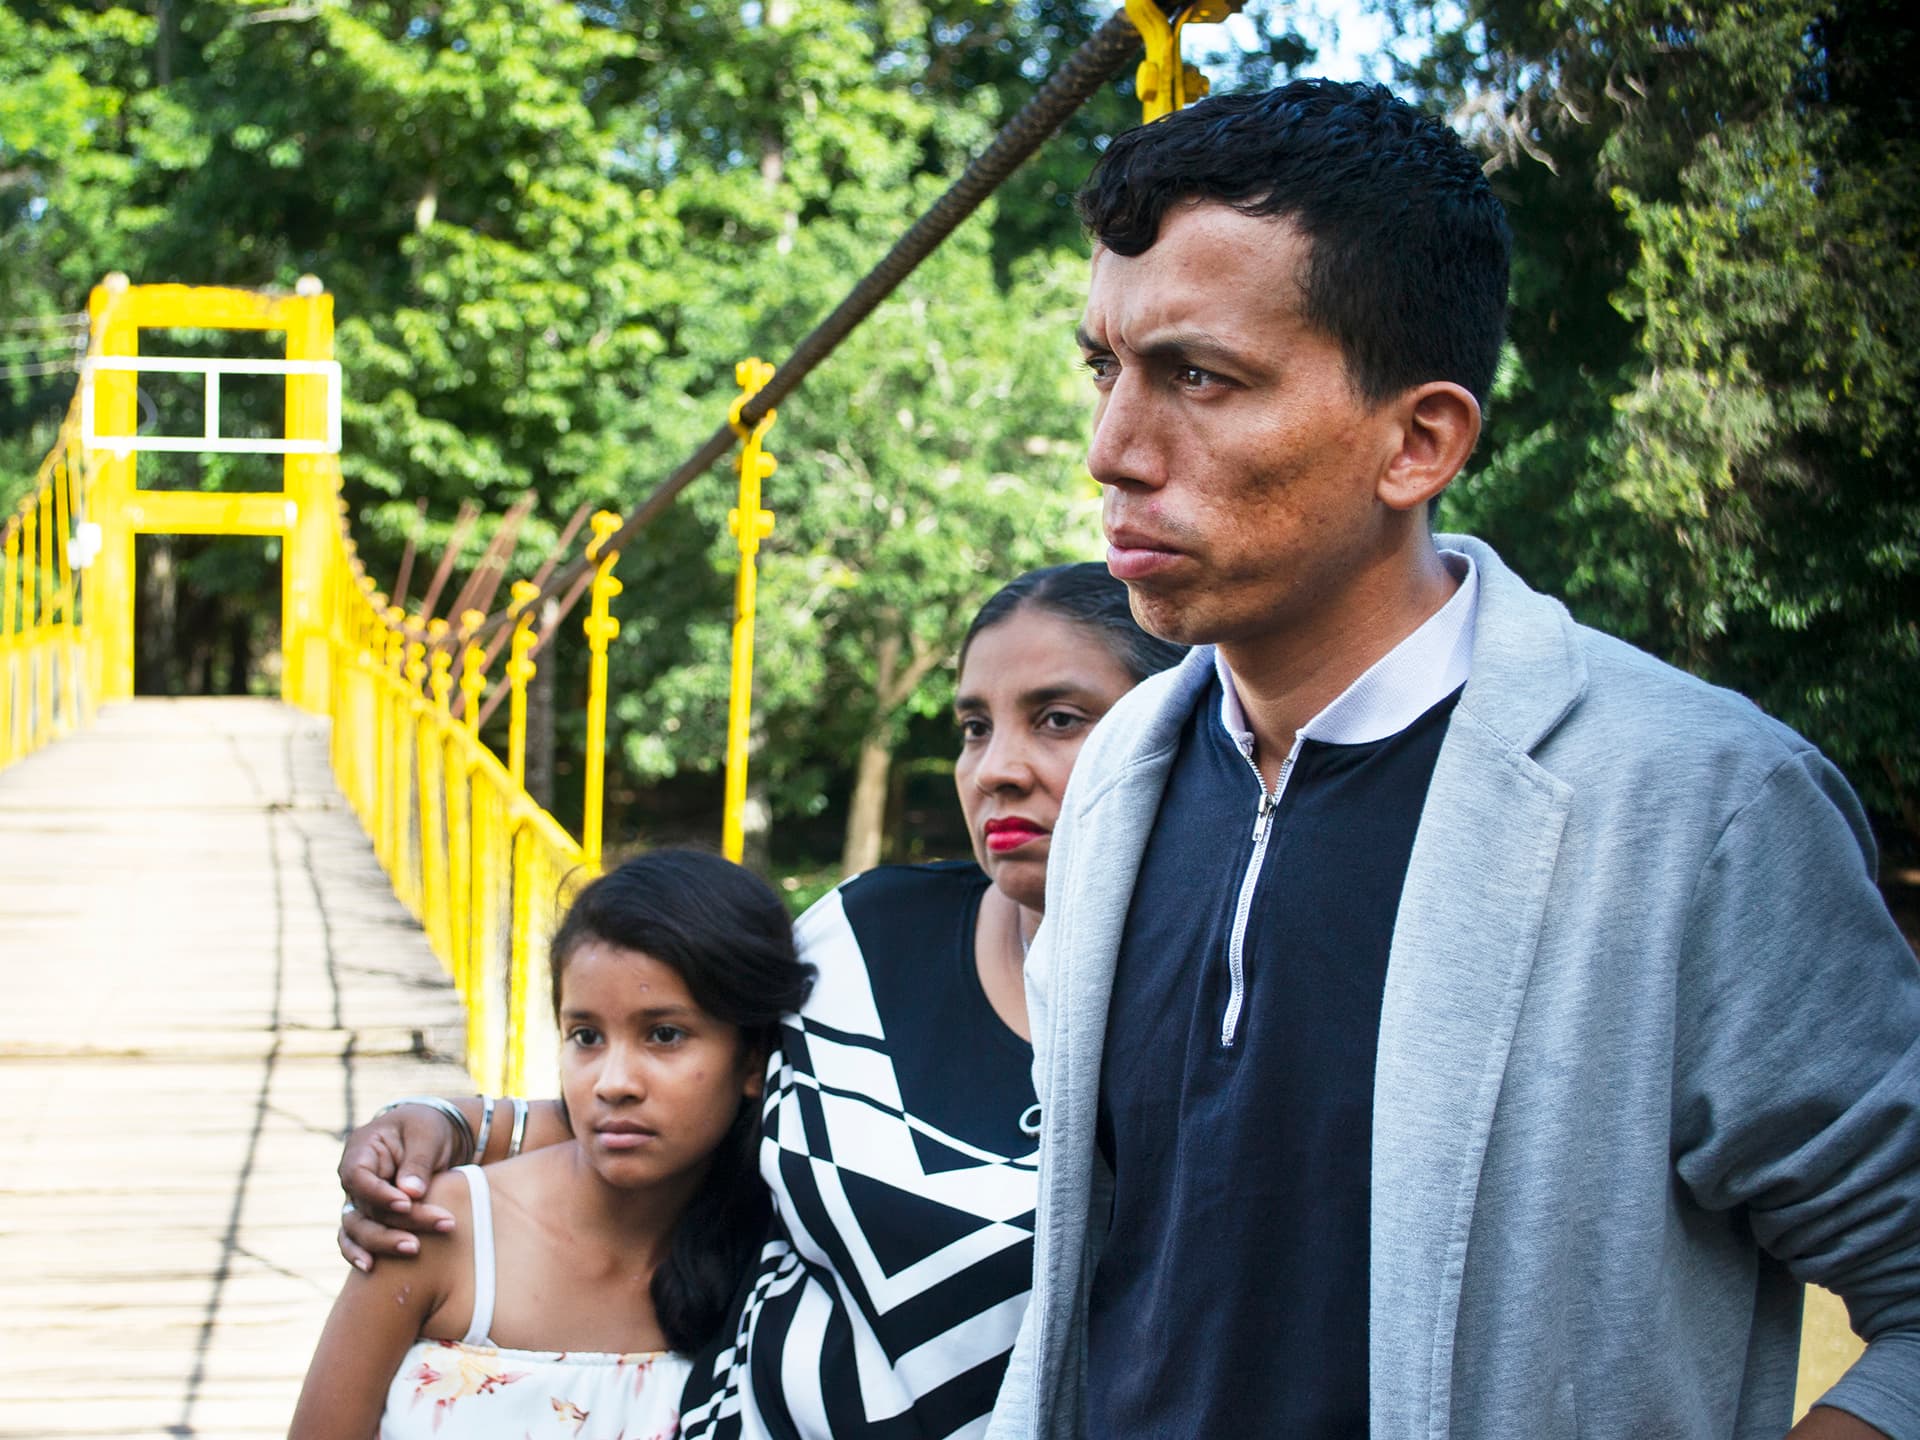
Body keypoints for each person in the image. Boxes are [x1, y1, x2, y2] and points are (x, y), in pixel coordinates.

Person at [984, 79, 1920, 1440]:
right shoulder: (1126, 768)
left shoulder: (1696, 808)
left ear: (1419, 441)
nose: (1111, 451)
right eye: (1105, 370)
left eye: (1199, 378)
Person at [334, 563, 1186, 1438]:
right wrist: (451, 1126)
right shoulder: (865, 936)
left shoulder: (1222, 1028)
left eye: (1058, 719)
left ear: (1177, 729)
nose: (995, 769)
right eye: (974, 727)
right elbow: (704, 1099)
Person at [291, 849, 813, 1440]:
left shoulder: (796, 1249)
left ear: (753, 1058)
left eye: (664, 1035)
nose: (613, 1082)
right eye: (585, 1036)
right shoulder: (443, 1228)